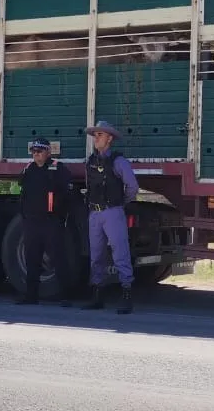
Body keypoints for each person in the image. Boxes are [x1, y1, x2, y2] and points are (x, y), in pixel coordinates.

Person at [81, 120, 139, 314]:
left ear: (109, 138)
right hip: (95, 213)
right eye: (95, 135)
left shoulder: (118, 161)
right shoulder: (91, 160)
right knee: (96, 255)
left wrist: (120, 203)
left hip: (112, 211)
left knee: (120, 253)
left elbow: (132, 187)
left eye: (100, 135)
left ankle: (127, 294)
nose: (96, 138)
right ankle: (97, 294)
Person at [16, 137, 76, 306]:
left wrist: (60, 215)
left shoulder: (58, 168)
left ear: (48, 152)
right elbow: (22, 193)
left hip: (51, 221)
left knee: (58, 258)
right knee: (32, 259)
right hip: (31, 222)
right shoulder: (28, 169)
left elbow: (68, 193)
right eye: (33, 151)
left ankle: (65, 296)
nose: (36, 154)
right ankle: (31, 295)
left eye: (40, 151)